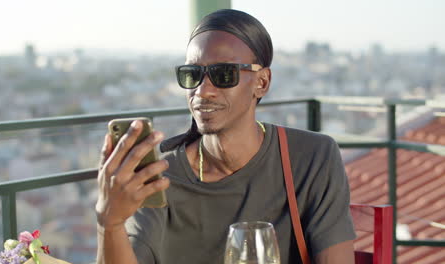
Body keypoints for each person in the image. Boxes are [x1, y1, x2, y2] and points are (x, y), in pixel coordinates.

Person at [96, 9, 356, 264]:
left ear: (261, 82)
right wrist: (110, 223)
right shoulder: (158, 178)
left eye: (223, 75)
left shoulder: (311, 157)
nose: (203, 91)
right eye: (192, 74)